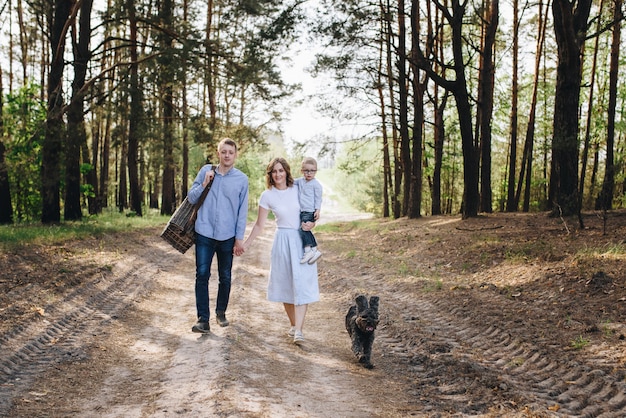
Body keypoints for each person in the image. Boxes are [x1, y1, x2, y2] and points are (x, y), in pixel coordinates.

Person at [242, 157, 319, 345]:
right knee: (287, 285)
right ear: (270, 174)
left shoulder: (297, 188)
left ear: (287, 172)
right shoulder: (267, 196)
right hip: (282, 241)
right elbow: (260, 225)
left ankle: (299, 331)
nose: (278, 174)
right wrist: (246, 243)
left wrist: (315, 218)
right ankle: (294, 325)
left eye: (281, 170)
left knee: (302, 284)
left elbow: (313, 198)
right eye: (274, 171)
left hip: (301, 240)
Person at [187, 138, 249, 333]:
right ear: (218, 153)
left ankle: (221, 312)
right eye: (224, 152)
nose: (227, 155)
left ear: (235, 154)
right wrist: (204, 183)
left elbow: (242, 212)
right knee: (202, 274)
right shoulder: (207, 171)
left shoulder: (242, 180)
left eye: (231, 152)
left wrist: (239, 238)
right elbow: (191, 197)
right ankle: (203, 320)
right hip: (204, 232)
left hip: (227, 235)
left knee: (226, 276)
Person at [295, 157, 323, 264]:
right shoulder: (300, 181)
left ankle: (308, 251)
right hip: (303, 211)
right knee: (305, 229)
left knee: (303, 229)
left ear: (315, 171)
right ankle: (314, 250)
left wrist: (318, 210)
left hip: (310, 211)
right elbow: (291, 181)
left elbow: (318, 198)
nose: (309, 173)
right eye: (306, 170)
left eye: (312, 171)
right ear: (302, 171)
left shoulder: (316, 185)